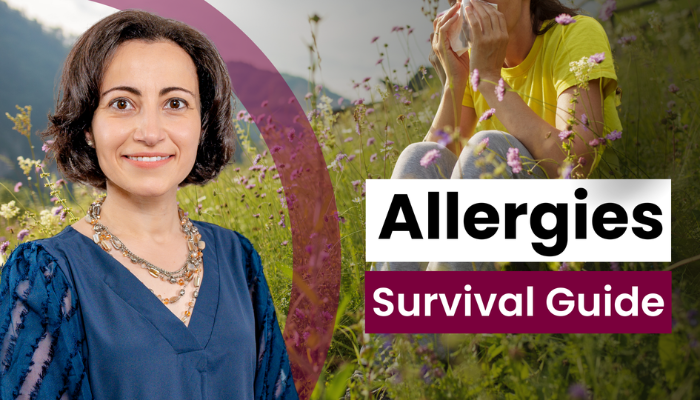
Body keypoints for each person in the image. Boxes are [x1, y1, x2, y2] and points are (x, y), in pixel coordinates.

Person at [0, 10, 297, 400]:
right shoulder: (45, 277)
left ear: (202, 123)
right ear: (88, 126)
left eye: (175, 103)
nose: (151, 133)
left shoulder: (238, 258)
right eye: (122, 104)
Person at [380, 0, 622, 272]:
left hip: (577, 229)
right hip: (497, 230)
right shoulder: (477, 61)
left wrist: (489, 78)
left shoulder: (576, 34)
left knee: (489, 148)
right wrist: (454, 82)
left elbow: (573, 164)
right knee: (417, 156)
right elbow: (432, 170)